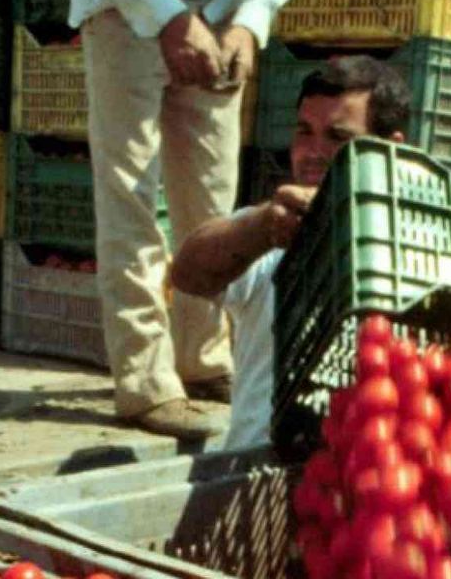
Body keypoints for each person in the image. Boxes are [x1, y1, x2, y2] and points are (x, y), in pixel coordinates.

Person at [65, 0, 383, 439]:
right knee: (132, 193)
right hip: (126, 0)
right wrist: (167, 17)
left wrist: (247, 24)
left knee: (210, 191)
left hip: (219, 8)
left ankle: (202, 357)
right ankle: (144, 385)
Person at [168, 56, 412, 449]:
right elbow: (189, 273)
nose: (313, 152)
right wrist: (263, 227)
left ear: (391, 150)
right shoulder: (271, 228)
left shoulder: (414, 249)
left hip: (364, 475)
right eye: (304, 131)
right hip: (254, 473)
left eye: (338, 137)